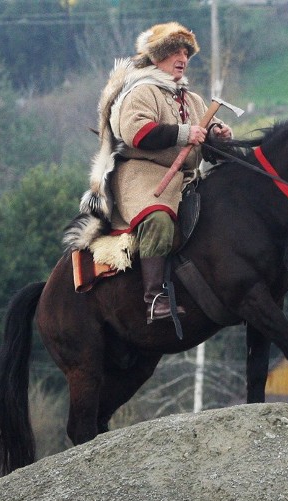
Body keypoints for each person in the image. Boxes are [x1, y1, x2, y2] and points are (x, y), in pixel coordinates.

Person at [70, 22, 233, 322]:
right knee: (157, 218)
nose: (182, 57)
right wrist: (186, 134)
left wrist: (217, 137)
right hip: (141, 176)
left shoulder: (194, 101)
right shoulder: (141, 91)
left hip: (183, 179)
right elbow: (138, 133)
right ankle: (154, 298)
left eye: (186, 52)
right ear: (158, 57)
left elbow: (203, 145)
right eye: (174, 51)